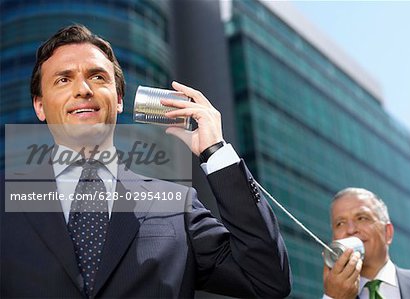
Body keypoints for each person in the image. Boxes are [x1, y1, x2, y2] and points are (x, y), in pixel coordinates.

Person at [1, 24, 291, 298]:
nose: (83, 90)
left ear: (119, 99)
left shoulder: (177, 207)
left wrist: (216, 153)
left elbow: (267, 279)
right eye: (64, 79)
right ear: (39, 105)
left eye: (98, 77)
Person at [322, 187, 410, 299]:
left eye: (362, 218)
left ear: (388, 232)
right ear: (334, 239)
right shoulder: (333, 295)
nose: (350, 230)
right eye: (340, 223)